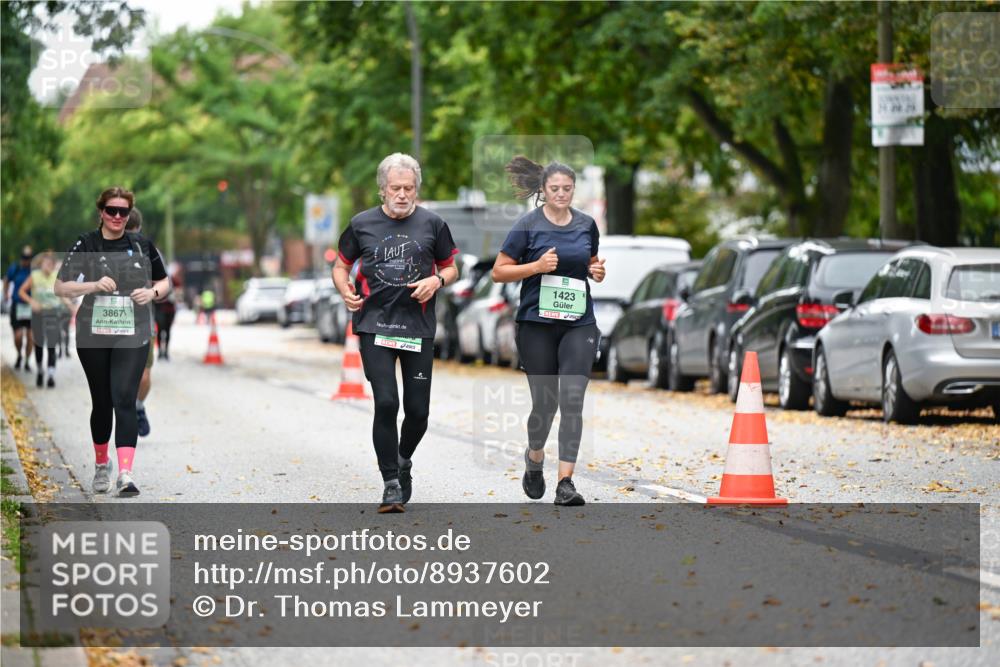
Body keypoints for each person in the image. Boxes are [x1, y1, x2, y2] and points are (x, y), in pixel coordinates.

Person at [333, 153, 458, 513]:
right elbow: (340, 266)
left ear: (416, 189)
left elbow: (452, 268)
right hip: (375, 325)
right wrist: (344, 289)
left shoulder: (433, 224)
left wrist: (436, 281)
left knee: (418, 412)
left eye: (409, 188)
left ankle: (403, 460)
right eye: (395, 188)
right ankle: (390, 482)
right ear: (382, 190)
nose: (402, 194)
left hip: (417, 327)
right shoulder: (361, 224)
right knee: (387, 402)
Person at [491, 156, 606, 506]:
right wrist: (536, 267)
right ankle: (535, 456)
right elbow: (499, 271)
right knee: (546, 403)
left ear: (574, 190)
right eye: (554, 188)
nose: (561, 194)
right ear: (543, 190)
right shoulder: (527, 226)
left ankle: (566, 483)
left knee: (572, 400)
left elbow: (589, 263)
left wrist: (596, 271)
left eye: (567, 189)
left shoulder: (586, 224)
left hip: (578, 323)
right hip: (537, 324)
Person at [54, 187, 170, 497]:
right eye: (111, 210)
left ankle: (126, 474)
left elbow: (165, 280)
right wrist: (91, 285)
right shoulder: (86, 244)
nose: (118, 216)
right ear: (101, 212)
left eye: (123, 211)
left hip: (133, 330)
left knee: (124, 397)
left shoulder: (142, 245)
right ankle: (101, 464)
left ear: (130, 214)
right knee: (102, 402)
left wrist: (153, 293)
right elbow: (60, 287)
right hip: (93, 332)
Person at [125, 207, 157, 436]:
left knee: (144, 377)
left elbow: (163, 283)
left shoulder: (149, 252)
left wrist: (154, 291)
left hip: (144, 323)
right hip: (116, 325)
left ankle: (138, 406)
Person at [18, 252, 71, 388]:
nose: (47, 266)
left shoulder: (56, 277)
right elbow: (21, 291)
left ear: (54, 266)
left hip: (53, 313)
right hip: (38, 313)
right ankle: (40, 370)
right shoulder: (34, 276)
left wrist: (70, 305)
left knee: (52, 344)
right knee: (39, 344)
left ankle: (51, 374)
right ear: (41, 264)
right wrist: (32, 302)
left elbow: (62, 295)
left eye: (50, 264)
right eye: (45, 263)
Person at [5, 246, 35, 372]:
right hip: (17, 305)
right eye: (24, 257)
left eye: (28, 258)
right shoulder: (15, 268)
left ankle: (27, 360)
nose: (25, 260)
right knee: (18, 336)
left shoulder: (33, 270)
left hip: (30, 306)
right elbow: (7, 280)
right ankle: (19, 355)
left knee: (30, 336)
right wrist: (6, 293)